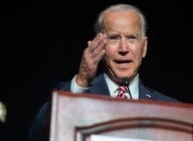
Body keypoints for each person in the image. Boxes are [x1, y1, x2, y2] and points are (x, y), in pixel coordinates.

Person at [29, 3, 180, 141]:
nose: (123, 49)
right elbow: (38, 133)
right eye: (114, 38)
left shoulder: (172, 109)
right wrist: (81, 82)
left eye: (131, 38)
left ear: (144, 47)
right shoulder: (75, 95)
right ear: (99, 45)